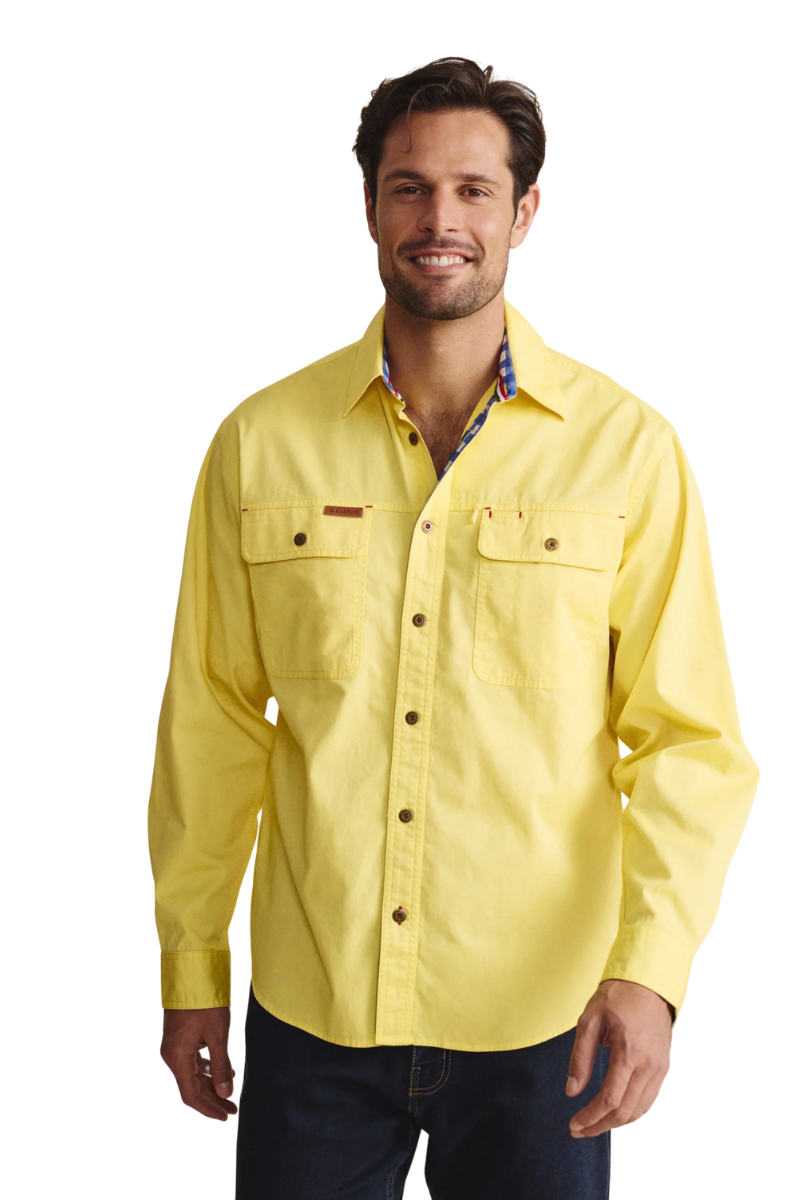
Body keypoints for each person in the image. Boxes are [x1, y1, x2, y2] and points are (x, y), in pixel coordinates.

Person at [148, 56, 759, 1199]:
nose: (440, 219)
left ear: (523, 212)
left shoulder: (626, 453)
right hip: (315, 1010)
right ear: (369, 207)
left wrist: (650, 972)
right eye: (410, 188)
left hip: (543, 1021)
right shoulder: (260, 444)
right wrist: (193, 965)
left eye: (474, 190)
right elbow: (212, 722)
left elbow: (689, 743)